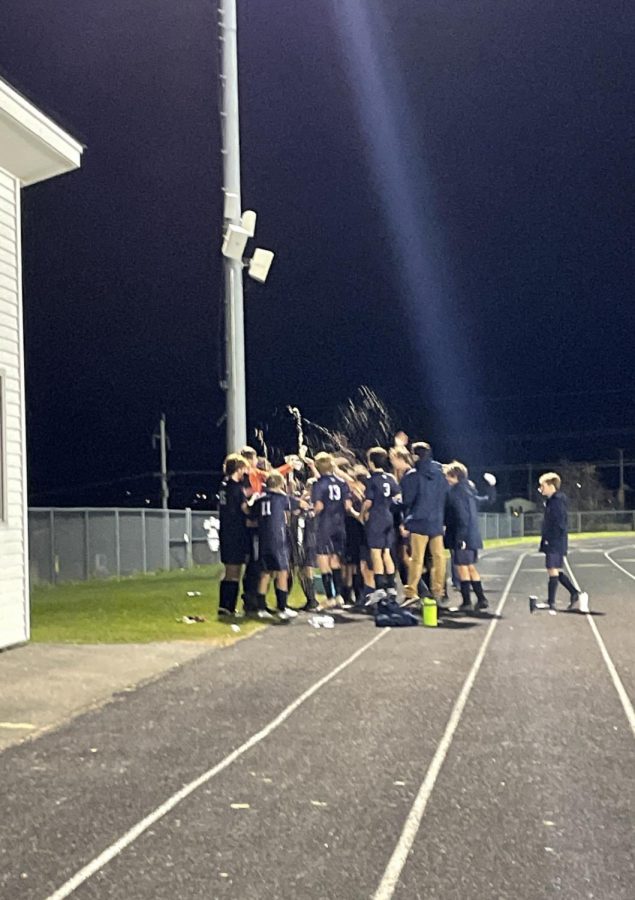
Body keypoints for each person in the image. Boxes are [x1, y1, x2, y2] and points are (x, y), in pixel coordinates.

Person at [400, 442, 448, 605]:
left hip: (419, 521)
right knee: (439, 557)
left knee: (417, 559)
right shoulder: (440, 474)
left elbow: (406, 500)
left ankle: (411, 591)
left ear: (415, 455)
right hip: (436, 520)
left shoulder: (412, 475)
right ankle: (438, 591)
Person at [251, 471, 303, 620]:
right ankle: (282, 607)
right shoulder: (282, 499)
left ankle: (261, 608)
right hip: (278, 540)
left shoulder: (260, 500)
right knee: (282, 572)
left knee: (265, 573)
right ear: (280, 484)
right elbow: (300, 505)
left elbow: (251, 515)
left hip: (263, 539)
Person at [443, 461, 489, 612]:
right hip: (472, 535)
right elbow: (485, 501)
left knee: (462, 568)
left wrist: (461, 538)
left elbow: (462, 516)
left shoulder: (456, 492)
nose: (447, 479)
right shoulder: (469, 490)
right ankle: (481, 599)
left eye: (448, 476)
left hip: (463, 536)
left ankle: (467, 602)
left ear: (455, 476)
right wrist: (492, 488)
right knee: (470, 567)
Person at [311, 451, 355, 606]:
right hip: (339, 524)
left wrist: (310, 512)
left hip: (325, 525)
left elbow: (319, 506)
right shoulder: (342, 483)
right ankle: (339, 596)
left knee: (323, 559)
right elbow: (348, 506)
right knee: (335, 560)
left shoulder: (318, 484)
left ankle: (330, 597)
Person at [538, 472, 583, 610]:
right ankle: (574, 593)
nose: (541, 488)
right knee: (554, 569)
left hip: (555, 541)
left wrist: (551, 539)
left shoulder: (557, 501)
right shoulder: (552, 501)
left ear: (551, 485)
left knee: (552, 569)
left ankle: (551, 602)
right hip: (554, 541)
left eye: (543, 485)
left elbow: (559, 523)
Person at [362, 447, 401, 595]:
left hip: (376, 518)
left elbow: (368, 502)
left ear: (371, 462)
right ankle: (391, 586)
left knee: (376, 553)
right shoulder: (390, 478)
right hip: (388, 517)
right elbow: (398, 497)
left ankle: (379, 588)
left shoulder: (372, 480)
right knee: (387, 552)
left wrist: (362, 514)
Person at [217, 453, 251, 617]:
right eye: (244, 468)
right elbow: (245, 509)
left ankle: (226, 606)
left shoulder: (224, 484)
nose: (246, 471)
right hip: (235, 532)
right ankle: (227, 607)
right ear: (238, 469)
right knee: (234, 571)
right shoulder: (236, 488)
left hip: (225, 531)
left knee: (230, 570)